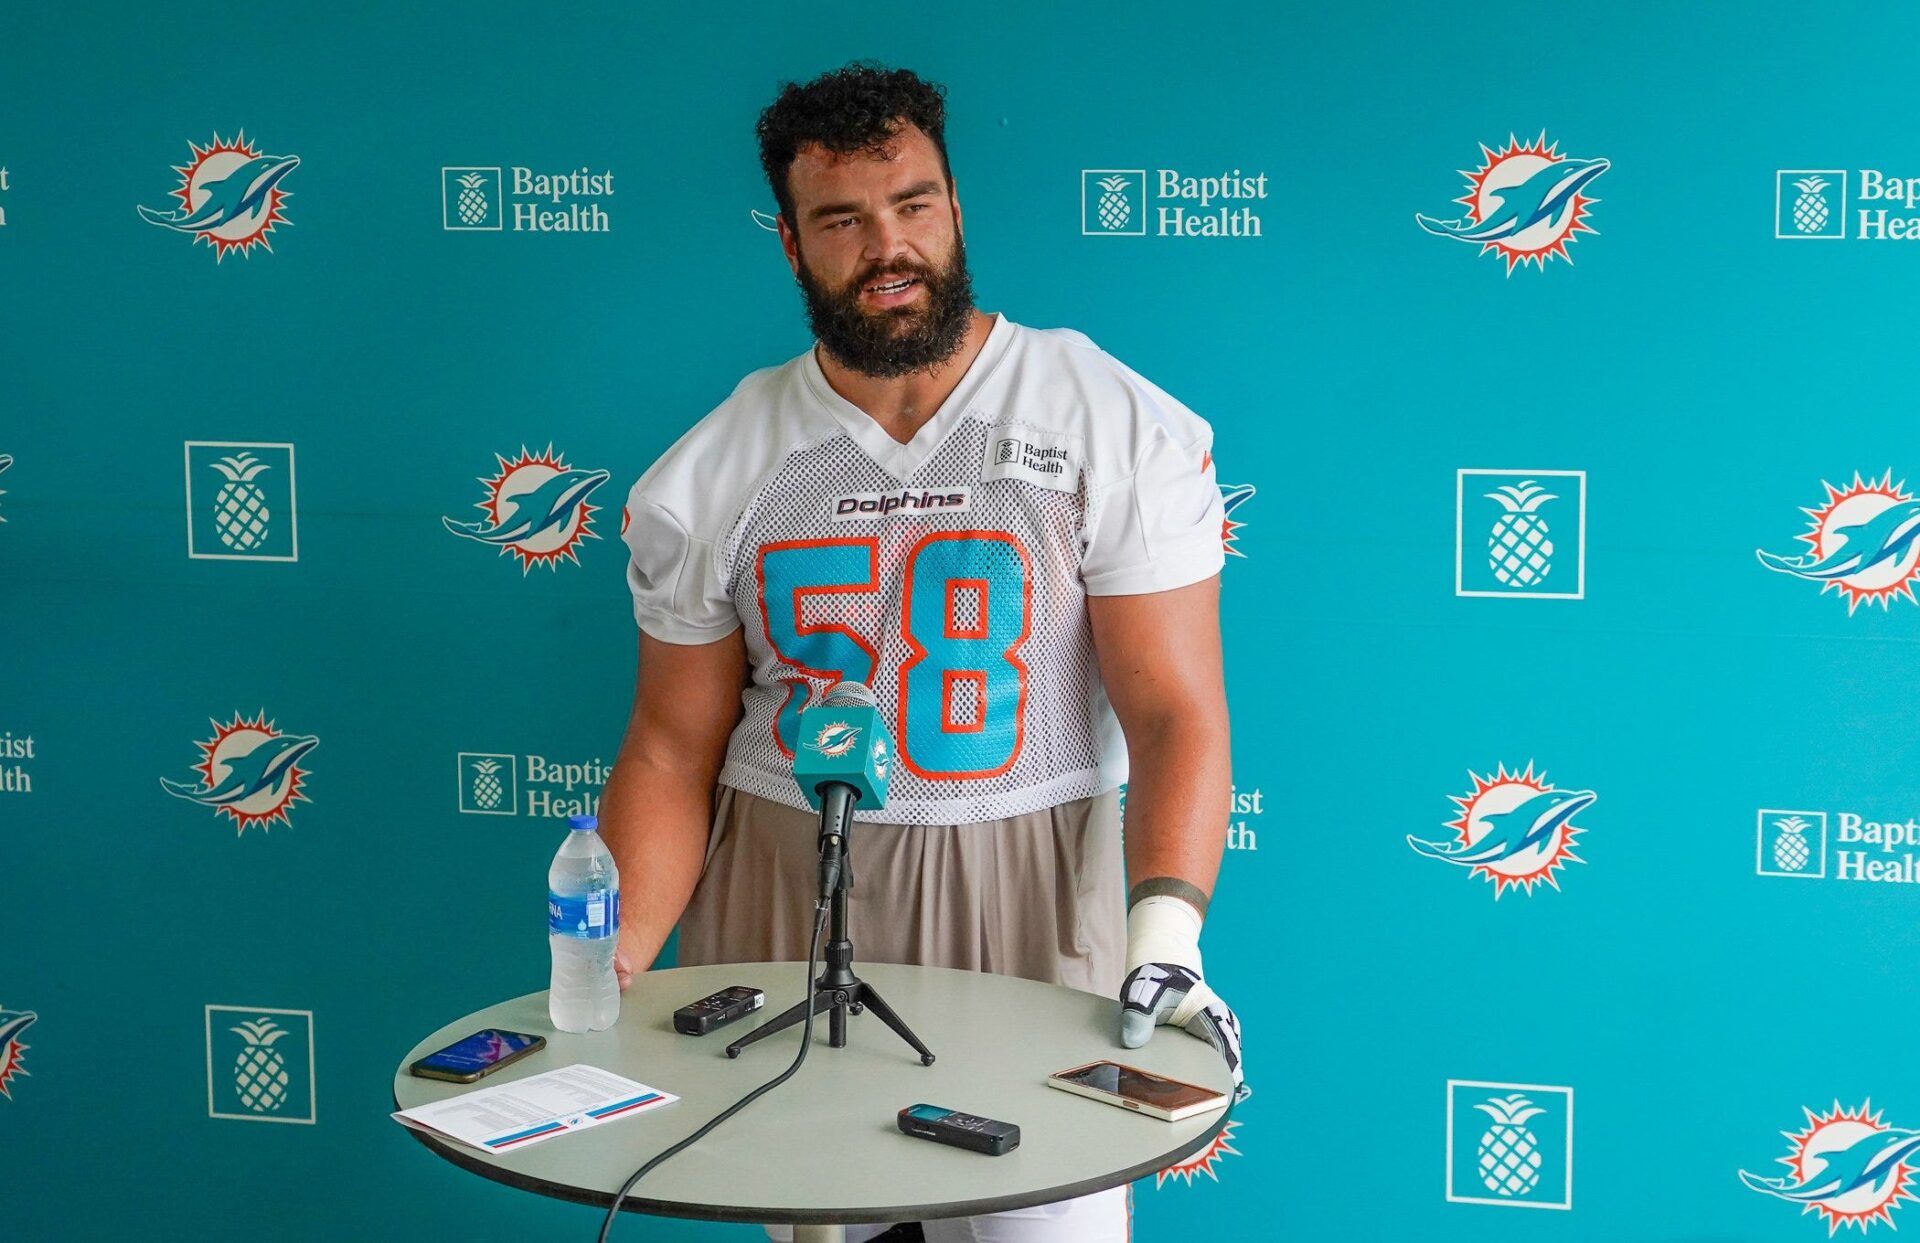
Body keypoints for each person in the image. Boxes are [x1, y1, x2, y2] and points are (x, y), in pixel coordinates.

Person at [601, 61, 1243, 1243]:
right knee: (817, 1221)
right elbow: (670, 742)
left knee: (1041, 1223)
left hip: (1032, 870)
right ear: (792, 244)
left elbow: (1174, 713)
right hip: (790, 873)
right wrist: (612, 964)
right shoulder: (713, 469)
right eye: (843, 221)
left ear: (955, 206)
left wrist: (1167, 936)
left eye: (914, 206)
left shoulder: (1102, 413)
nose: (887, 247)